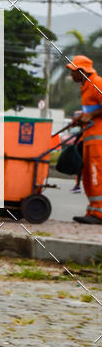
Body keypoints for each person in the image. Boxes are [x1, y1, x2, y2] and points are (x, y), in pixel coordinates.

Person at [67, 55, 102, 223]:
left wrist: (91, 115)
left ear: (82, 71)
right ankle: (93, 211)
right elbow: (92, 112)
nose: (71, 75)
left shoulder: (97, 83)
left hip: (99, 141)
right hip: (90, 138)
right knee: (88, 176)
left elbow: (94, 113)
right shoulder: (86, 87)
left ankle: (99, 214)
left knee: (97, 176)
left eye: (73, 71)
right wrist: (81, 118)